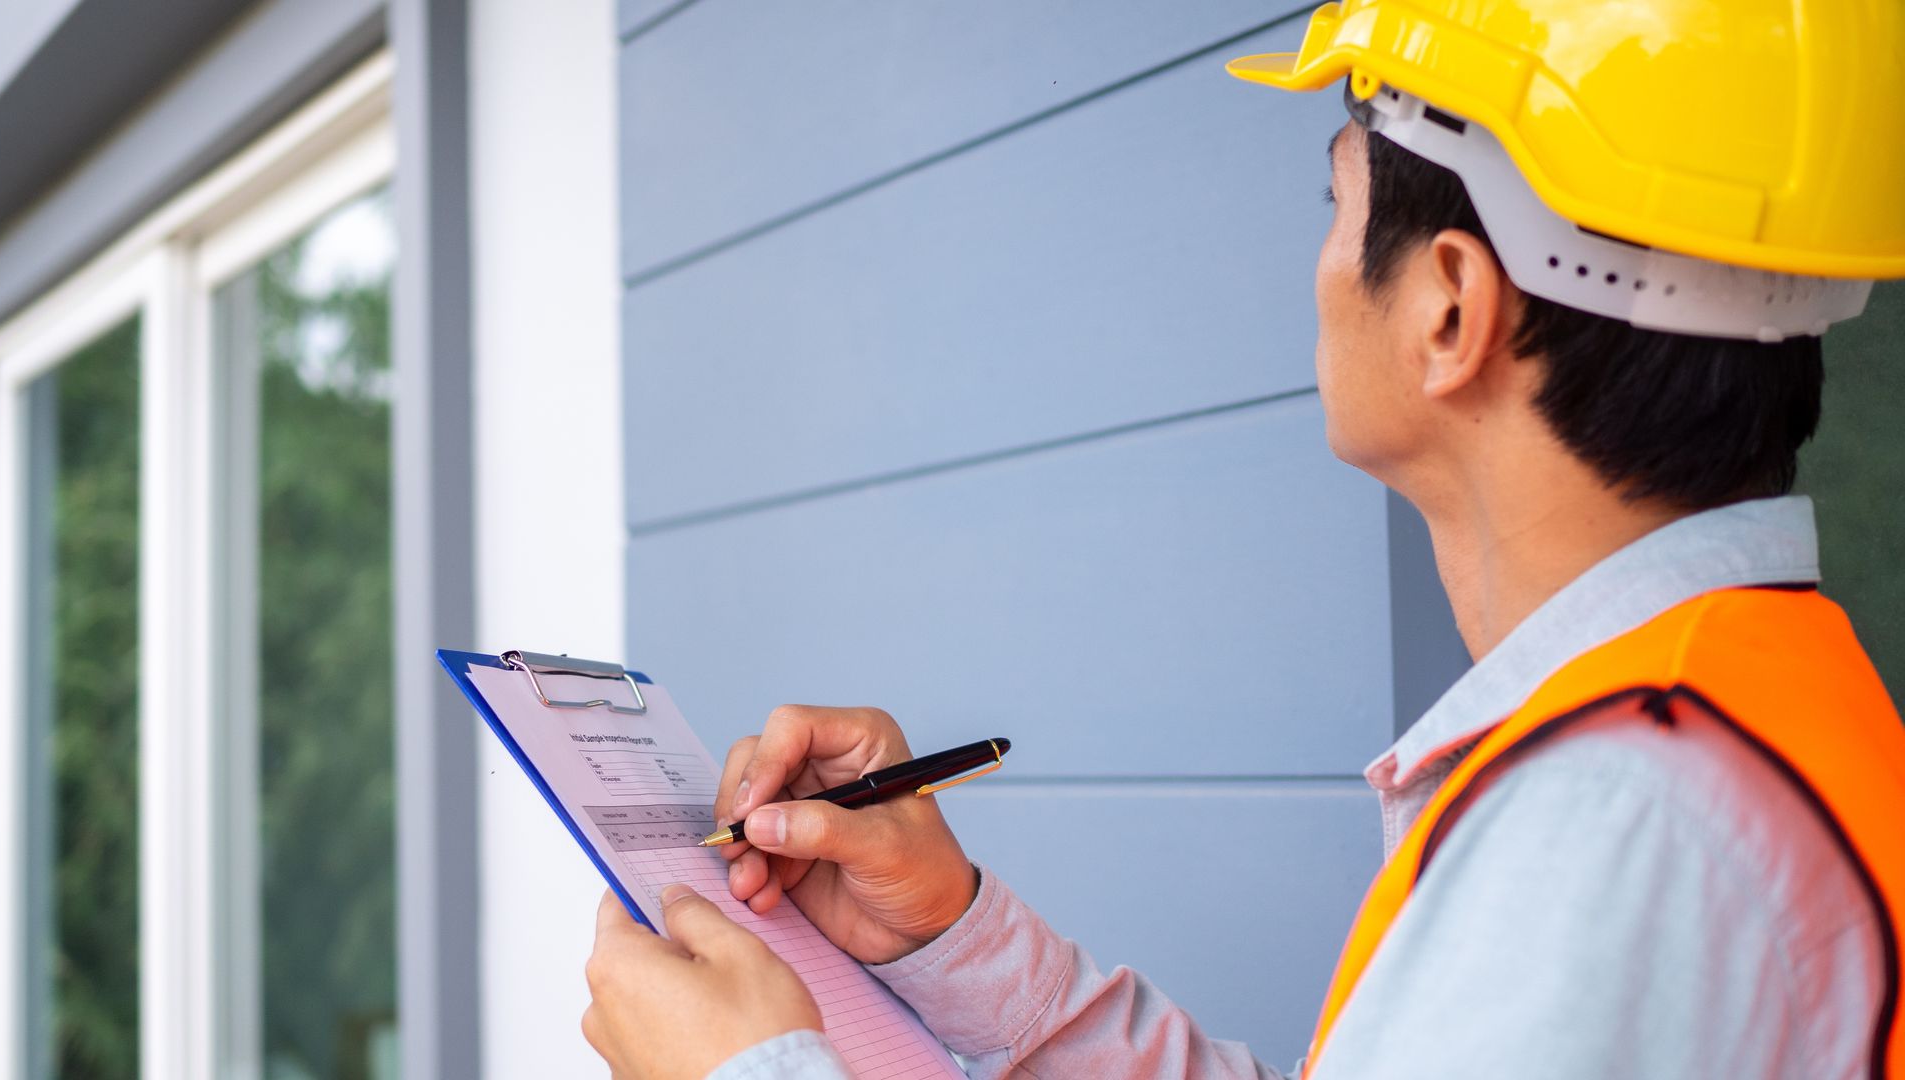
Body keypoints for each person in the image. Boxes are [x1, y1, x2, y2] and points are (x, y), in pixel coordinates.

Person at [579, 1, 1905, 1076]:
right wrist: (953, 935)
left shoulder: (1625, 824)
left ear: (1450, 305)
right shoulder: (1720, 720)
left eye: (1332, 205)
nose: (1321, 265)